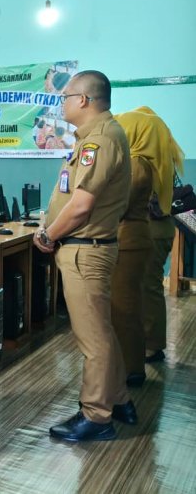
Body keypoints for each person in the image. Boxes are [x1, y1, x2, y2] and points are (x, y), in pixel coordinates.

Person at [34, 70, 137, 442]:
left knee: (92, 339)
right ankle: (120, 400)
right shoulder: (93, 138)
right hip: (84, 249)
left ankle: (96, 415)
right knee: (101, 332)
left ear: (84, 100)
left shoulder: (102, 139)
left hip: (85, 251)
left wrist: (48, 234)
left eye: (65, 97)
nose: (61, 103)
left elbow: (80, 207)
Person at [109, 110, 157, 387]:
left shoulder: (137, 163)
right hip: (133, 239)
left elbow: (120, 205)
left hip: (127, 241)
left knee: (124, 311)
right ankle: (131, 364)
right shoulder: (143, 161)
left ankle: (130, 370)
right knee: (129, 308)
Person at [134, 106, 184, 364]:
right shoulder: (166, 158)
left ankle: (151, 347)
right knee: (150, 286)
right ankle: (152, 343)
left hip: (151, 229)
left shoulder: (145, 163)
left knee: (147, 287)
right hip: (162, 228)